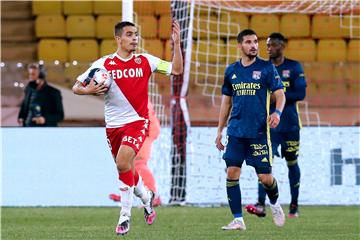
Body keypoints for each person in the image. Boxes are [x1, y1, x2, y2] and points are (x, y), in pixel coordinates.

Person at [72, 21, 183, 235]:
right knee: (127, 170)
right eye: (130, 34)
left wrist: (176, 45)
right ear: (118, 39)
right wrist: (89, 90)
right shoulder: (103, 65)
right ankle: (146, 196)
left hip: (138, 123)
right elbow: (77, 87)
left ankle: (125, 216)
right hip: (113, 127)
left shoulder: (146, 61)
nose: (134, 38)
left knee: (123, 163)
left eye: (136, 34)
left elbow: (176, 69)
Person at [215, 29, 286, 231]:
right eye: (249, 42)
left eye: (256, 41)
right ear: (240, 45)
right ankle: (238, 220)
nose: (254, 45)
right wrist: (220, 130)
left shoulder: (266, 68)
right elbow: (226, 103)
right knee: (232, 173)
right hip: (236, 132)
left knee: (265, 178)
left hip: (259, 133)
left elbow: (280, 95)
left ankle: (274, 203)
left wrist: (277, 113)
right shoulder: (231, 71)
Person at [245, 33, 307, 219]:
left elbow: (300, 93)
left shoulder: (294, 67)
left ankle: (294, 205)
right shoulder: (263, 67)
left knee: (291, 162)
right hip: (268, 125)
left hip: (290, 125)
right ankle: (261, 204)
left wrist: (278, 95)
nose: (269, 48)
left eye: (273, 45)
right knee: (263, 163)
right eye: (268, 45)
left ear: (282, 45)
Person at [108, 101, 162, 207]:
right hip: (141, 128)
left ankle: (153, 195)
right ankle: (127, 193)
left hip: (145, 130)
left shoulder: (134, 93)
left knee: (139, 162)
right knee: (129, 163)